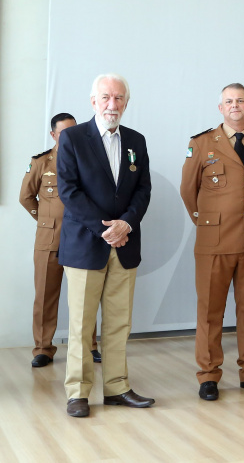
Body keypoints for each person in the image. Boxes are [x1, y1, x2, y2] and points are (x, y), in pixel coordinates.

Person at [57, 73, 153, 417]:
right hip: (86, 245)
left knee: (118, 322)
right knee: (82, 324)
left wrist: (127, 222)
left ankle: (116, 387)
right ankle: (77, 393)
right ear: (94, 101)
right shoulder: (72, 138)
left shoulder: (136, 140)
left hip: (125, 244)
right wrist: (106, 230)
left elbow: (143, 189)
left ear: (126, 103)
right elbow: (69, 191)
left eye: (120, 98)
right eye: (106, 97)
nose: (113, 104)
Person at [180, 83, 244, 401]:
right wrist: (208, 222)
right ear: (220, 108)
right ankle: (208, 375)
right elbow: (187, 189)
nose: (234, 105)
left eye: (240, 100)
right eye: (228, 101)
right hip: (215, 242)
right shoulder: (202, 143)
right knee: (211, 311)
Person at [21, 113, 102, 368]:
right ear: (54, 135)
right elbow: (26, 197)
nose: (70, 137)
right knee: (45, 295)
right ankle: (43, 348)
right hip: (50, 239)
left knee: (84, 296)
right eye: (64, 133)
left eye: (74, 131)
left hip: (81, 238)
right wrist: (45, 221)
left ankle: (89, 345)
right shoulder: (41, 163)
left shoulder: (87, 160)